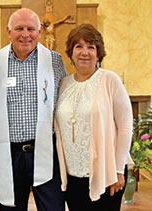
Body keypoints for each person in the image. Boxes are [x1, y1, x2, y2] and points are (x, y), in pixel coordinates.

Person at [0, 8, 67, 211]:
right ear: (9, 31)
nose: (25, 34)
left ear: (40, 32)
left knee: (53, 207)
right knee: (10, 207)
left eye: (31, 28)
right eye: (19, 28)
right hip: (9, 153)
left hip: (45, 149)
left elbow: (64, 99)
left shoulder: (55, 61)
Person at [55, 23, 133, 211]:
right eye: (79, 47)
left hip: (106, 174)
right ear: (71, 53)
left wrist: (118, 171)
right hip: (72, 174)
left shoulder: (109, 80)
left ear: (98, 53)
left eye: (91, 47)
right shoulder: (64, 84)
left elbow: (125, 127)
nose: (84, 52)